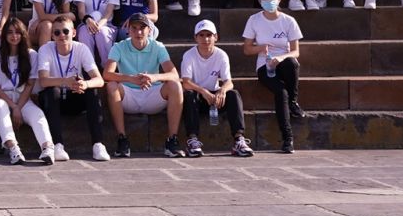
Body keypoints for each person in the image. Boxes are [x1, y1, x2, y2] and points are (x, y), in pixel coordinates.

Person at [102, 13, 184, 159]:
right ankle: (122, 139)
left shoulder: (158, 46)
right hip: (128, 96)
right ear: (128, 30)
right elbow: (107, 74)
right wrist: (131, 79)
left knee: (175, 86)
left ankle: (172, 140)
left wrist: (154, 77)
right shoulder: (118, 47)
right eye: (134, 28)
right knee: (112, 86)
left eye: (142, 28)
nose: (138, 32)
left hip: (153, 94)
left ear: (149, 30)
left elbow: (174, 74)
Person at [35, 13, 110, 162]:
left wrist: (85, 84)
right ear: (52, 36)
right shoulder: (45, 49)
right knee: (51, 91)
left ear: (74, 33)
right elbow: (43, 81)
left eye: (65, 31)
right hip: (55, 100)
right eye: (57, 32)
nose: (61, 35)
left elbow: (99, 80)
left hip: (75, 96)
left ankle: (98, 144)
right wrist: (65, 81)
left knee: (92, 92)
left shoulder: (81, 48)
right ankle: (57, 145)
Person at [0, 16, 55, 166]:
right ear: (4, 35)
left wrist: (18, 107)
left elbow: (29, 84)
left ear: (23, 34)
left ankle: (47, 148)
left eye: (17, 32)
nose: (14, 36)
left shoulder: (31, 55)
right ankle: (13, 148)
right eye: (10, 32)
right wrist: (14, 107)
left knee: (37, 114)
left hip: (22, 98)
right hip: (2, 98)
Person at [242, 0, 304, 153]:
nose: (269, 1)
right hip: (264, 65)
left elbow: (296, 51)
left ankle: (293, 102)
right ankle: (288, 138)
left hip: (284, 62)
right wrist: (260, 48)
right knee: (281, 92)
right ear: (260, 0)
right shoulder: (254, 20)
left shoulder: (288, 21)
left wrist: (281, 57)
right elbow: (247, 49)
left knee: (291, 63)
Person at [180, 19, 253, 158]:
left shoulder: (221, 55)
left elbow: (228, 81)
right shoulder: (189, 55)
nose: (205, 39)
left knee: (233, 94)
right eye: (201, 35)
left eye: (209, 35)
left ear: (216, 37)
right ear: (195, 38)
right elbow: (186, 82)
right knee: (189, 95)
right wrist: (203, 91)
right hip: (198, 98)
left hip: (215, 99)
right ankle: (192, 141)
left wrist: (222, 90)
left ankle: (239, 139)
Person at [73, 0, 121, 66]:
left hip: (106, 25)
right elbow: (81, 13)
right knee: (84, 32)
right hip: (86, 23)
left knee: (102, 33)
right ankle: (89, 68)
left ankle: (107, 67)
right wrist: (88, 20)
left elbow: (108, 14)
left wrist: (98, 26)